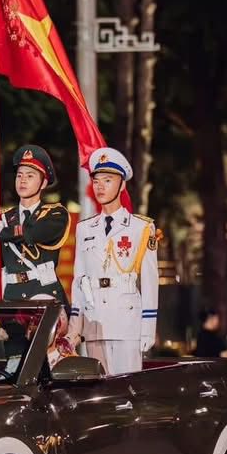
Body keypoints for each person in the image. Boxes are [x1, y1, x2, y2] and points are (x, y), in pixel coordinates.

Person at [66, 148, 159, 375]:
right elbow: (79, 281)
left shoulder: (141, 227)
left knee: (126, 389)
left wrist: (148, 328)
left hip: (127, 321)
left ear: (122, 185)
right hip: (94, 320)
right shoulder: (84, 228)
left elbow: (150, 281)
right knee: (98, 390)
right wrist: (75, 325)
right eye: (96, 181)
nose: (100, 186)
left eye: (107, 180)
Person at [0, 145, 71, 302]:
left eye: (30, 176)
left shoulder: (55, 214)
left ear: (43, 183)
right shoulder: (3, 218)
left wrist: (2, 233)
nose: (23, 180)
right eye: (19, 175)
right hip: (12, 296)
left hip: (44, 294)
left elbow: (32, 233)